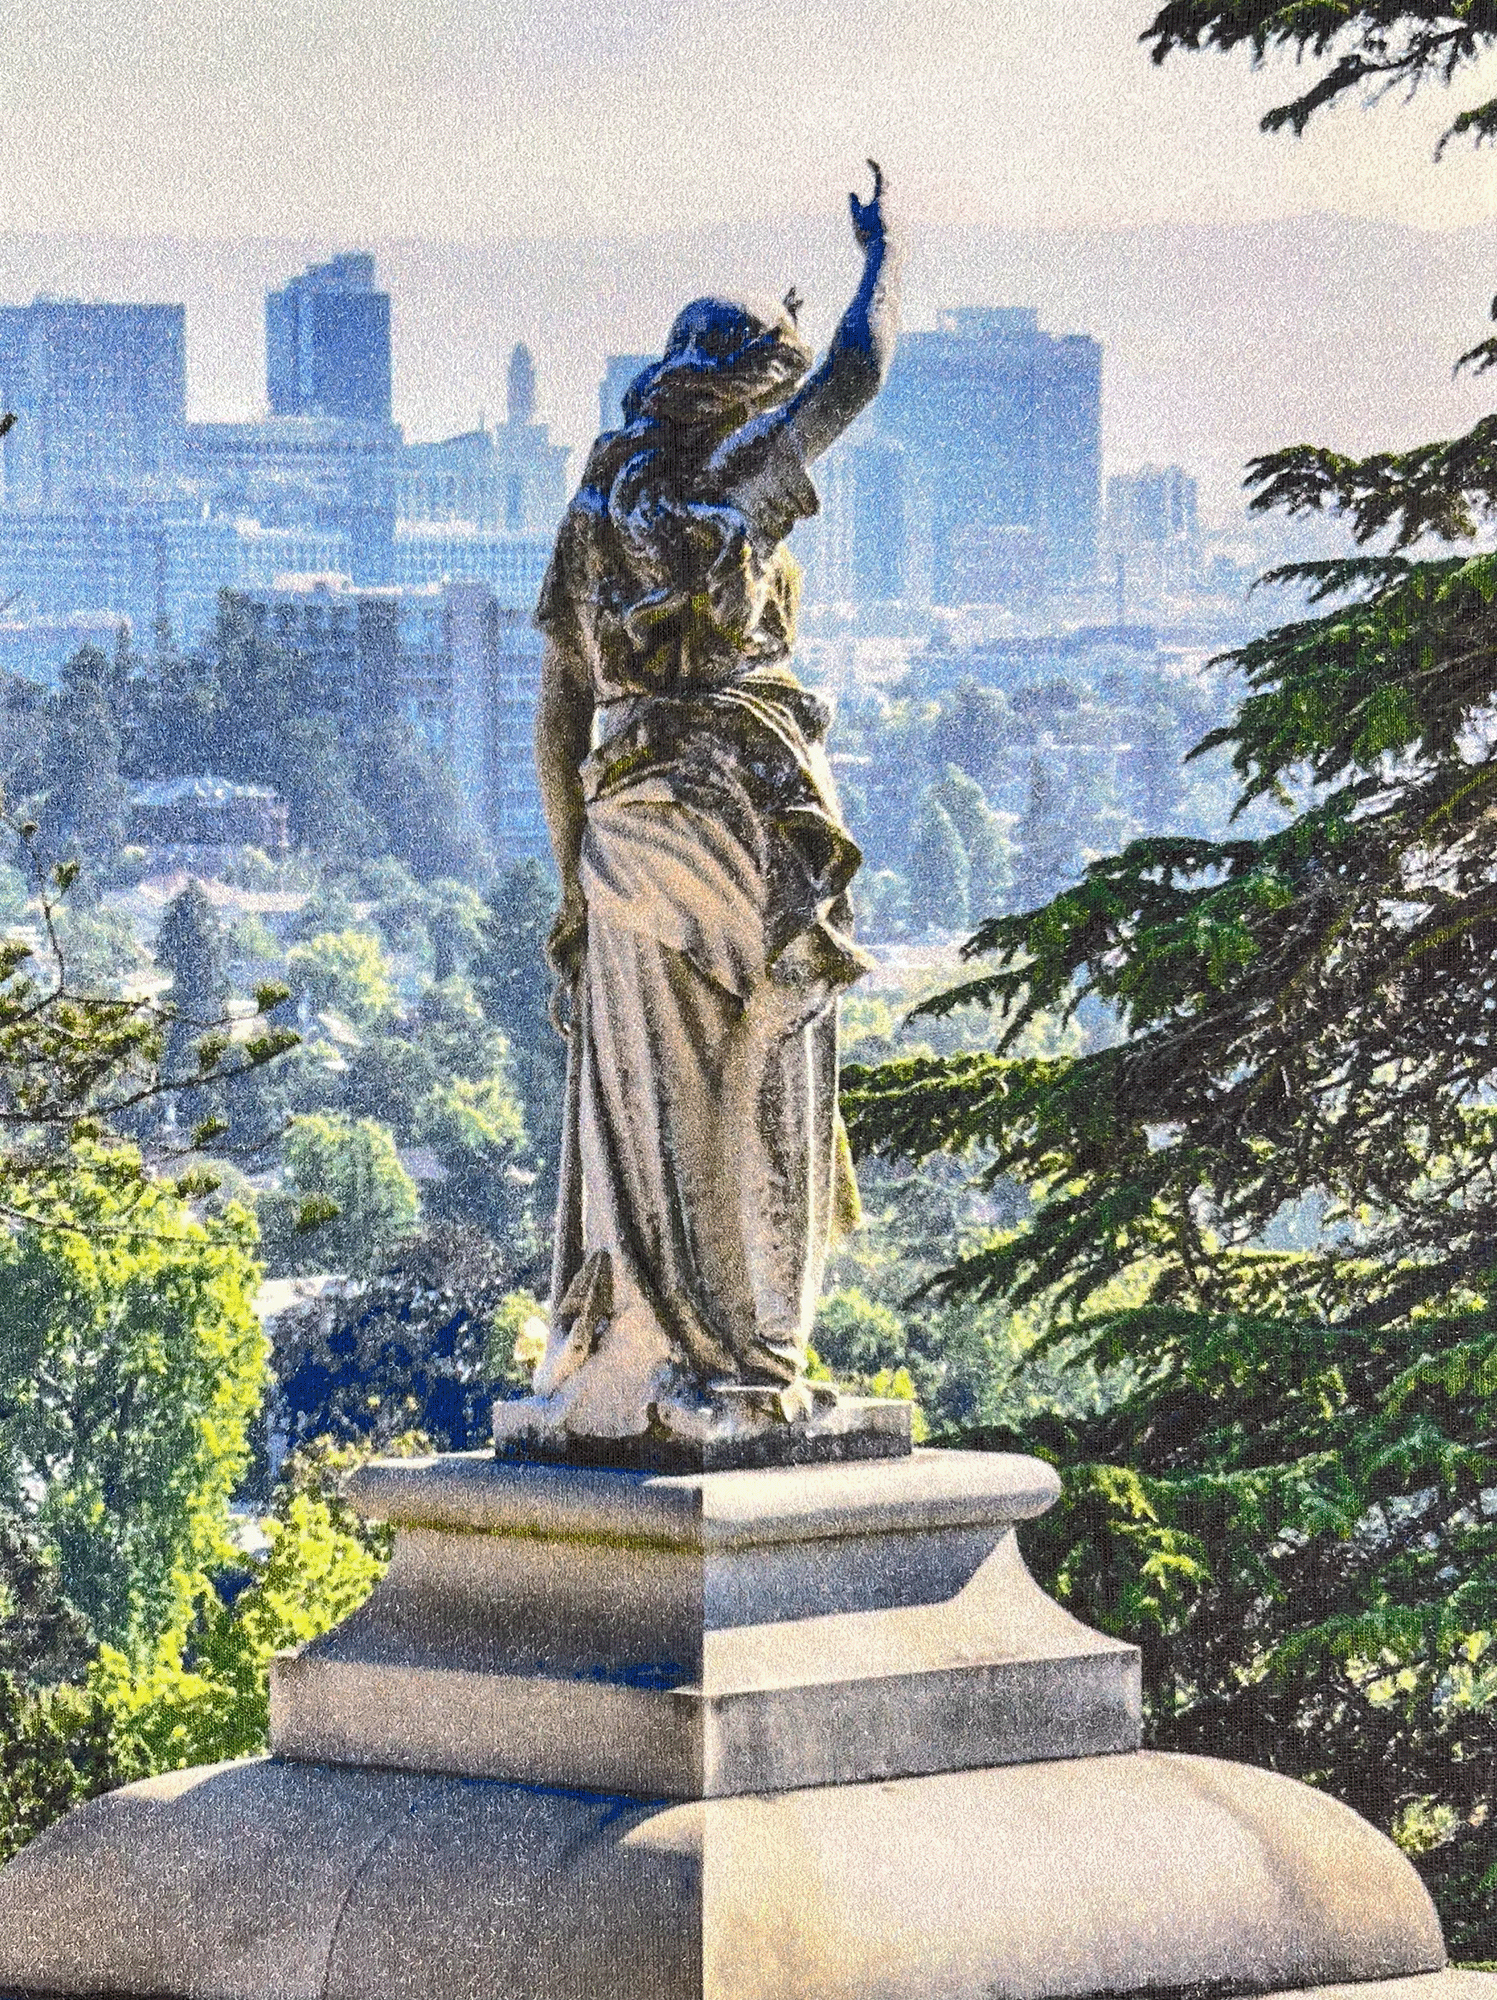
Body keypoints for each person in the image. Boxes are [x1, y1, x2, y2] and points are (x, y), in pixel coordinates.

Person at [517, 165, 901, 1448]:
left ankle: (647, 1342)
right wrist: (878, 259)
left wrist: (573, 877)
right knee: (766, 1074)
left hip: (628, 827)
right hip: (745, 810)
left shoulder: (594, 513)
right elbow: (855, 374)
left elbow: (554, 719)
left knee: (646, 1094)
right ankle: (747, 1355)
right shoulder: (742, 485)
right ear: (747, 385)